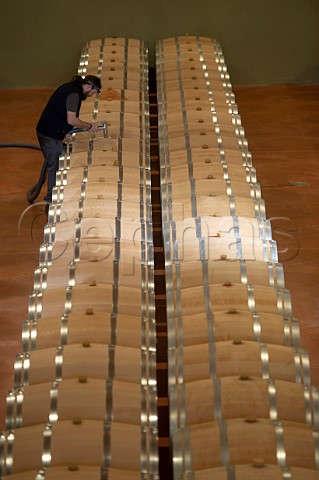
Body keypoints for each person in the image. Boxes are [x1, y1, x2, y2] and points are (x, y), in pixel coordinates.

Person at [35, 74, 102, 205]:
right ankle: (51, 203)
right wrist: (89, 126)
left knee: (55, 163)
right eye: (95, 91)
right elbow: (72, 119)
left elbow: (60, 112)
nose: (93, 94)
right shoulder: (74, 94)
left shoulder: (70, 88)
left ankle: (52, 199)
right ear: (89, 86)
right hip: (49, 135)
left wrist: (64, 131)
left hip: (48, 131)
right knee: (55, 168)